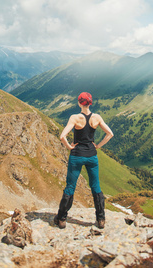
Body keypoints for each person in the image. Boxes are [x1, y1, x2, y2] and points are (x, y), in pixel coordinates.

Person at [54, 92, 114, 229]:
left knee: (70, 187)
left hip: (77, 156)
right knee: (96, 187)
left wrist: (70, 146)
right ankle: (100, 219)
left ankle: (62, 219)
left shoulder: (75, 118)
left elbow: (62, 136)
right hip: (92, 156)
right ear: (90, 103)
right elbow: (110, 134)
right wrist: (98, 145)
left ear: (79, 103)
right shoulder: (97, 117)